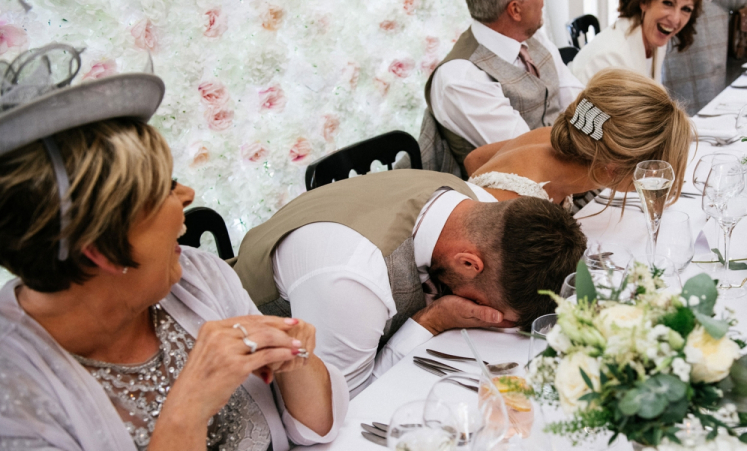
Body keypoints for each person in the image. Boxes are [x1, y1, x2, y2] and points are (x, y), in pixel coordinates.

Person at [0, 46, 349, 451]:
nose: (186, 194)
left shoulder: (195, 278)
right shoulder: (15, 404)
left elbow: (316, 427)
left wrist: (294, 357)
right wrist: (185, 410)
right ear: (102, 248)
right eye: (164, 187)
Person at [231, 169, 587, 396]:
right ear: (468, 263)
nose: (489, 315)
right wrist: (434, 320)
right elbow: (343, 403)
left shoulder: (471, 204)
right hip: (249, 380)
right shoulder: (352, 280)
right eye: (492, 308)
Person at [419, 0, 585, 177]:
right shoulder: (461, 78)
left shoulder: (533, 36)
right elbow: (529, 156)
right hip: (514, 203)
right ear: (515, 10)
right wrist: (593, 149)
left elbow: (578, 101)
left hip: (570, 175)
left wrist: (600, 141)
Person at [463, 68, 693, 209]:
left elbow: (474, 159)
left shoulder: (548, 136)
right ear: (614, 166)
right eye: (654, 167)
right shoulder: (519, 204)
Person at [570, 0, 707, 85]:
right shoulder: (609, 58)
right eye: (668, 3)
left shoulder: (654, 37)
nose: (676, 19)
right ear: (645, 1)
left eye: (686, 9)